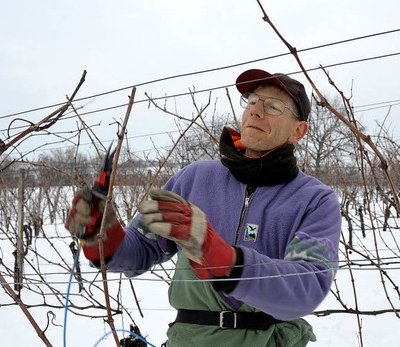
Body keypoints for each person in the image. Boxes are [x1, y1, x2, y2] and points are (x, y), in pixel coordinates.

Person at [65, 69, 342, 346]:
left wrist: (220, 256)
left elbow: (307, 287)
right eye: (252, 101)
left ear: (298, 131)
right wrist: (103, 237)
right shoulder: (194, 178)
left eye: (272, 106)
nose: (256, 111)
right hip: (191, 339)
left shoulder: (315, 200)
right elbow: (141, 250)